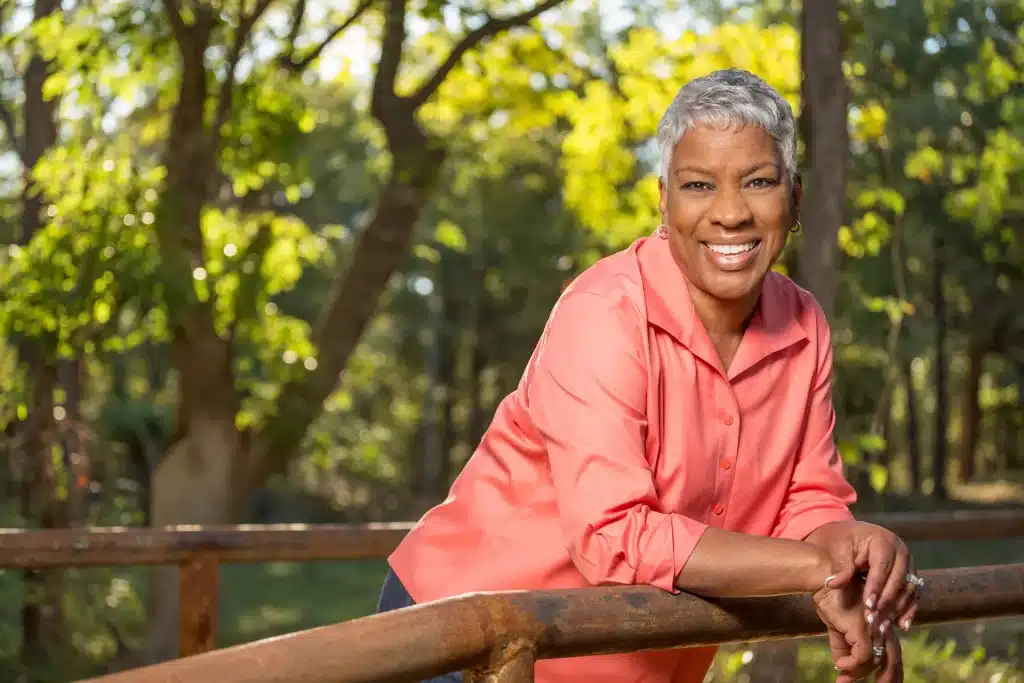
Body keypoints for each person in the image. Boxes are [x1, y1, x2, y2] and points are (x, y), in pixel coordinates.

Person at [378, 68, 922, 683]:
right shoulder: (603, 312)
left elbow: (806, 495)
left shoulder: (804, 324)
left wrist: (852, 551)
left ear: (793, 198)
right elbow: (613, 535)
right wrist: (817, 570)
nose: (730, 213)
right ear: (663, 201)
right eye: (698, 185)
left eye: (758, 182)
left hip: (626, 659)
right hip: (463, 637)